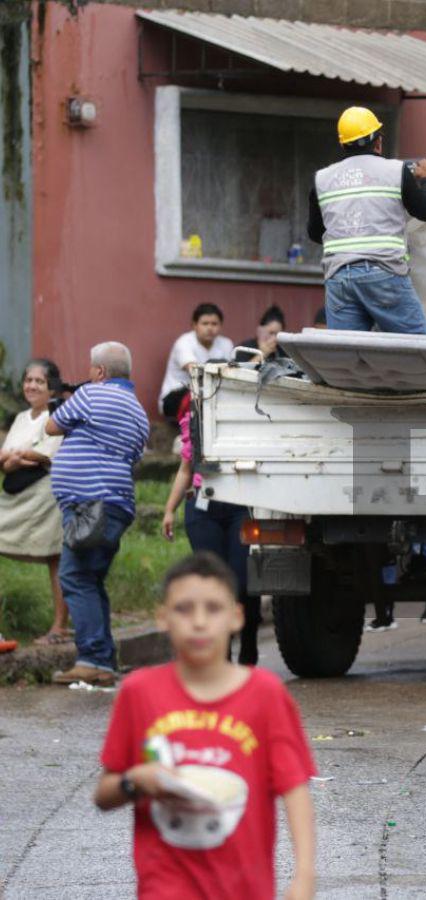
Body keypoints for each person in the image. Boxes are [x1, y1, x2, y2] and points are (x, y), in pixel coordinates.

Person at [94, 552, 316, 900]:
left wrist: (304, 877)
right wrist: (135, 781)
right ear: (163, 618)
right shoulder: (139, 693)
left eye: (213, 608)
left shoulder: (266, 695)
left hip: (245, 888)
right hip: (164, 887)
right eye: (184, 609)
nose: (199, 622)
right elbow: (103, 794)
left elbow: (294, 788)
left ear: (237, 617)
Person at [45, 342, 149, 687]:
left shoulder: (91, 395)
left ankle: (90, 658)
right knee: (91, 579)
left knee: (74, 577)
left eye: (92, 369)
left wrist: (64, 404)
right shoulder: (138, 410)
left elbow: (51, 427)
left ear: (100, 372)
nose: (89, 375)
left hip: (88, 504)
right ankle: (104, 662)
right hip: (116, 505)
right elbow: (134, 456)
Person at [308, 106, 426, 334]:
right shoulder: (395, 171)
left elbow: (314, 232)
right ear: (378, 142)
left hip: (339, 279)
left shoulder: (322, 179)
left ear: (343, 144)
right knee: (415, 349)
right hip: (384, 273)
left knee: (346, 358)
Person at [162, 394, 260, 665]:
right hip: (202, 507)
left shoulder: (246, 417)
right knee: (214, 582)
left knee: (241, 582)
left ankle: (249, 639)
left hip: (240, 506)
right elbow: (185, 468)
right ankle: (222, 654)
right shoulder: (192, 421)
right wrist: (169, 509)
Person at [0, 359, 67, 645]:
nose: (31, 385)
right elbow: (6, 458)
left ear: (51, 386)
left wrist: (18, 457)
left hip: (46, 495)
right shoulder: (21, 418)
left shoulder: (58, 414)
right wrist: (16, 459)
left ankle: (59, 627)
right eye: (28, 380)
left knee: (56, 558)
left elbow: (47, 454)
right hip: (17, 495)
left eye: (39, 381)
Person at [159, 304, 233, 419]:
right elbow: (195, 372)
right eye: (205, 324)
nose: (210, 328)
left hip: (209, 395)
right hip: (176, 396)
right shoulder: (184, 342)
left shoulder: (226, 344)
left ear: (220, 326)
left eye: (214, 324)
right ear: (194, 325)